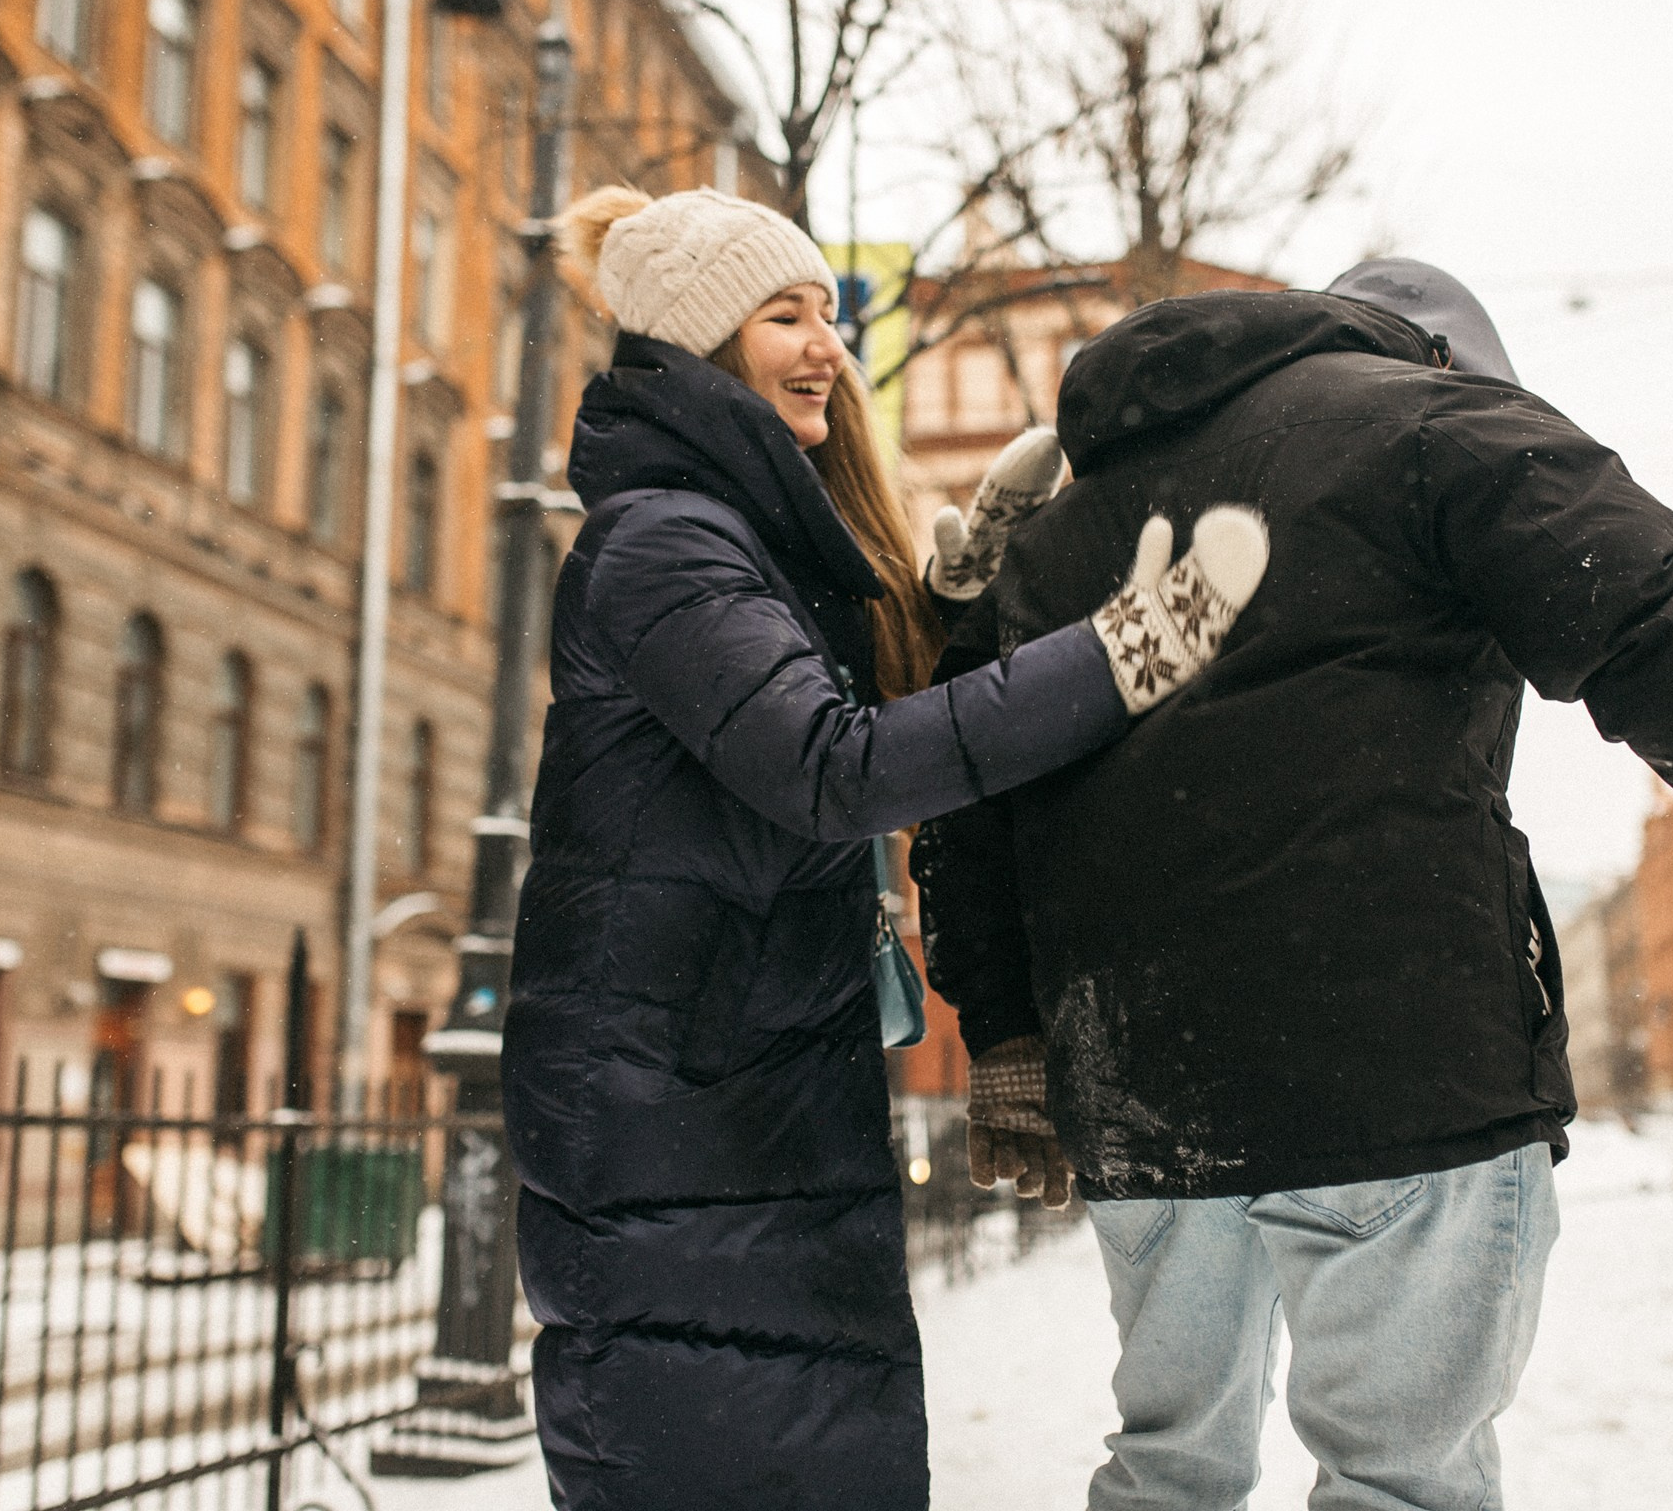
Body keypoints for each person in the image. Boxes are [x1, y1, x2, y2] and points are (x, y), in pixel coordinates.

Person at [912, 261, 1673, 1510]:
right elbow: (1659, 631)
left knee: (1167, 1471)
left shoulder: (1064, 529)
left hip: (1145, 1082)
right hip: (1395, 1054)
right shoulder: (1438, 425)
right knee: (1401, 1481)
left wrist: (1001, 1029)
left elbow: (978, 769)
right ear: (1447, 356)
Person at [501, 185, 1269, 1511]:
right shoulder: (666, 545)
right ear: (699, 344)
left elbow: (862, 727)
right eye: (785, 316)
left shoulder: (734, 537)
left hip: (729, 1110)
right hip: (678, 1135)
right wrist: (1127, 652)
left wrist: (967, 602)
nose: (827, 347)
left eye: (830, 317)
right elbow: (833, 767)